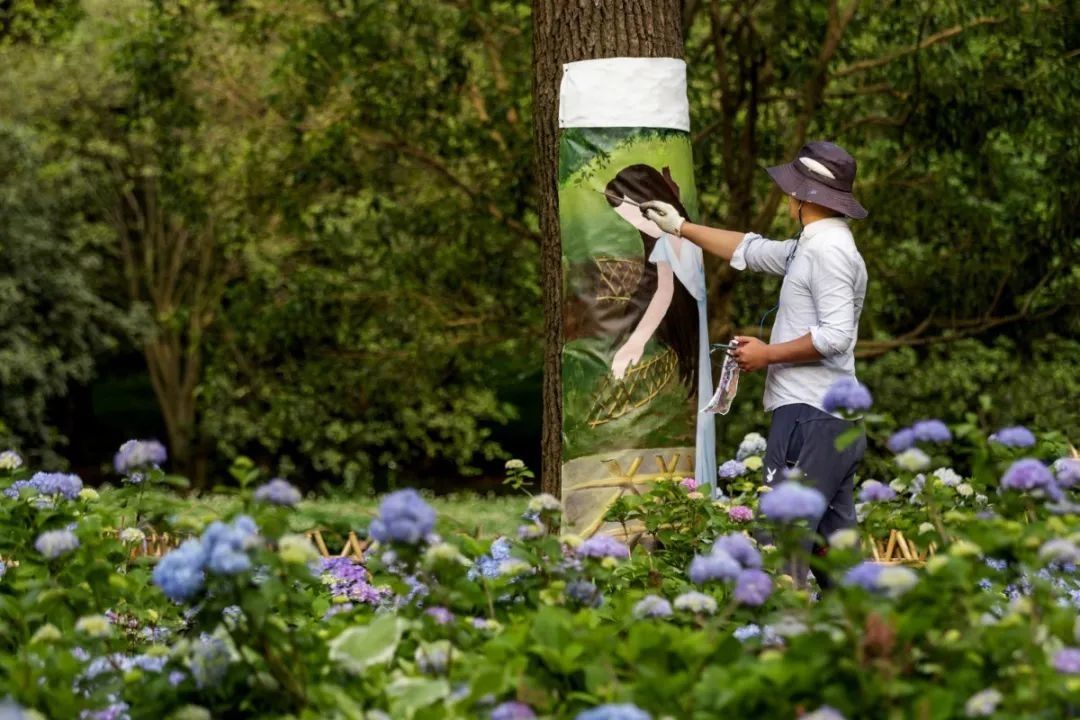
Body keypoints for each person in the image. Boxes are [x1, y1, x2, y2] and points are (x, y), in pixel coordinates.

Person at [641, 141, 869, 584]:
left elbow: (836, 336)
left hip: (811, 416)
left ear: (804, 197)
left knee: (779, 549)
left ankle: (775, 645)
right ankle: (866, 645)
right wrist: (681, 226)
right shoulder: (814, 245)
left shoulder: (829, 252)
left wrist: (767, 355)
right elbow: (753, 249)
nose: (788, 198)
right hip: (826, 419)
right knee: (839, 565)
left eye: (791, 191)